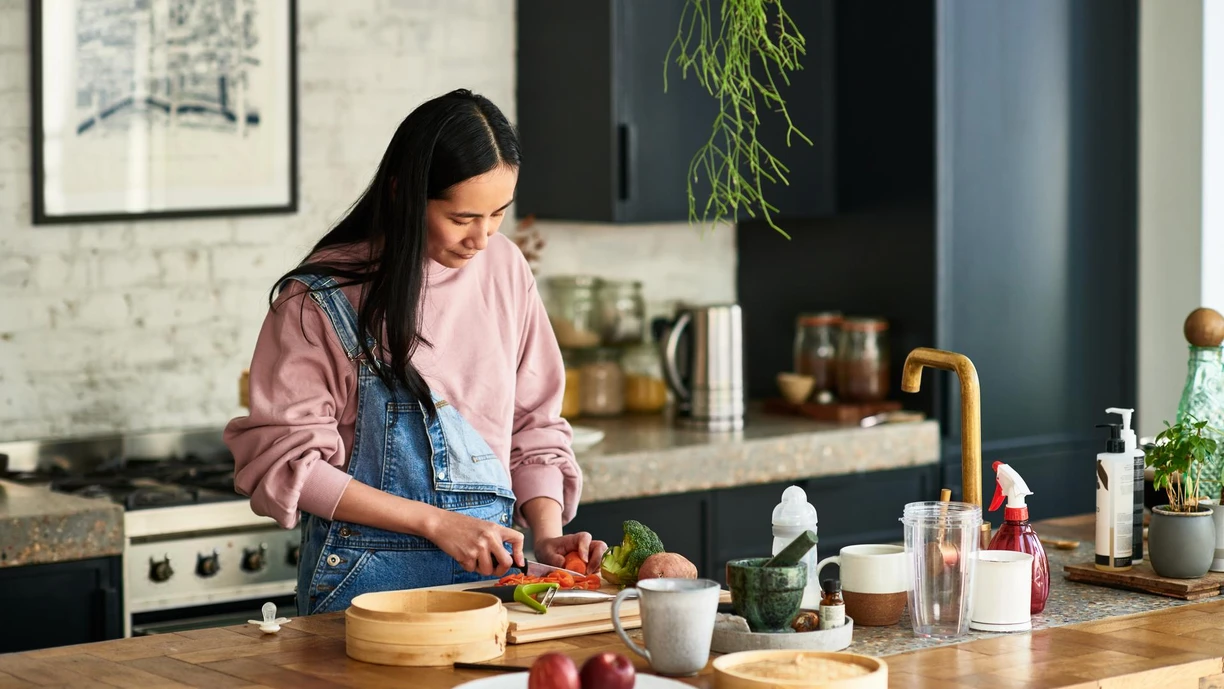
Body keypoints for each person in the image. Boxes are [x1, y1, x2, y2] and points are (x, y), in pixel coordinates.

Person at [225, 89, 606, 615]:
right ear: (403, 194)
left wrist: (547, 532)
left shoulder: (504, 268)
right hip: (365, 590)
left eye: (498, 213)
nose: (482, 237)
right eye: (462, 217)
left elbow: (533, 424)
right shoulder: (319, 299)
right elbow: (289, 463)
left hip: (493, 587)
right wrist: (435, 523)